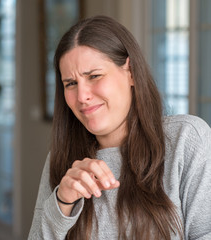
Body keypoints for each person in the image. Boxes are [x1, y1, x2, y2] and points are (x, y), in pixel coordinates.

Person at [28, 15, 211, 240]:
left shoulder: (186, 139)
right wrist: (62, 203)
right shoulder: (62, 160)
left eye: (94, 76)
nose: (82, 96)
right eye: (71, 83)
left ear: (131, 71)